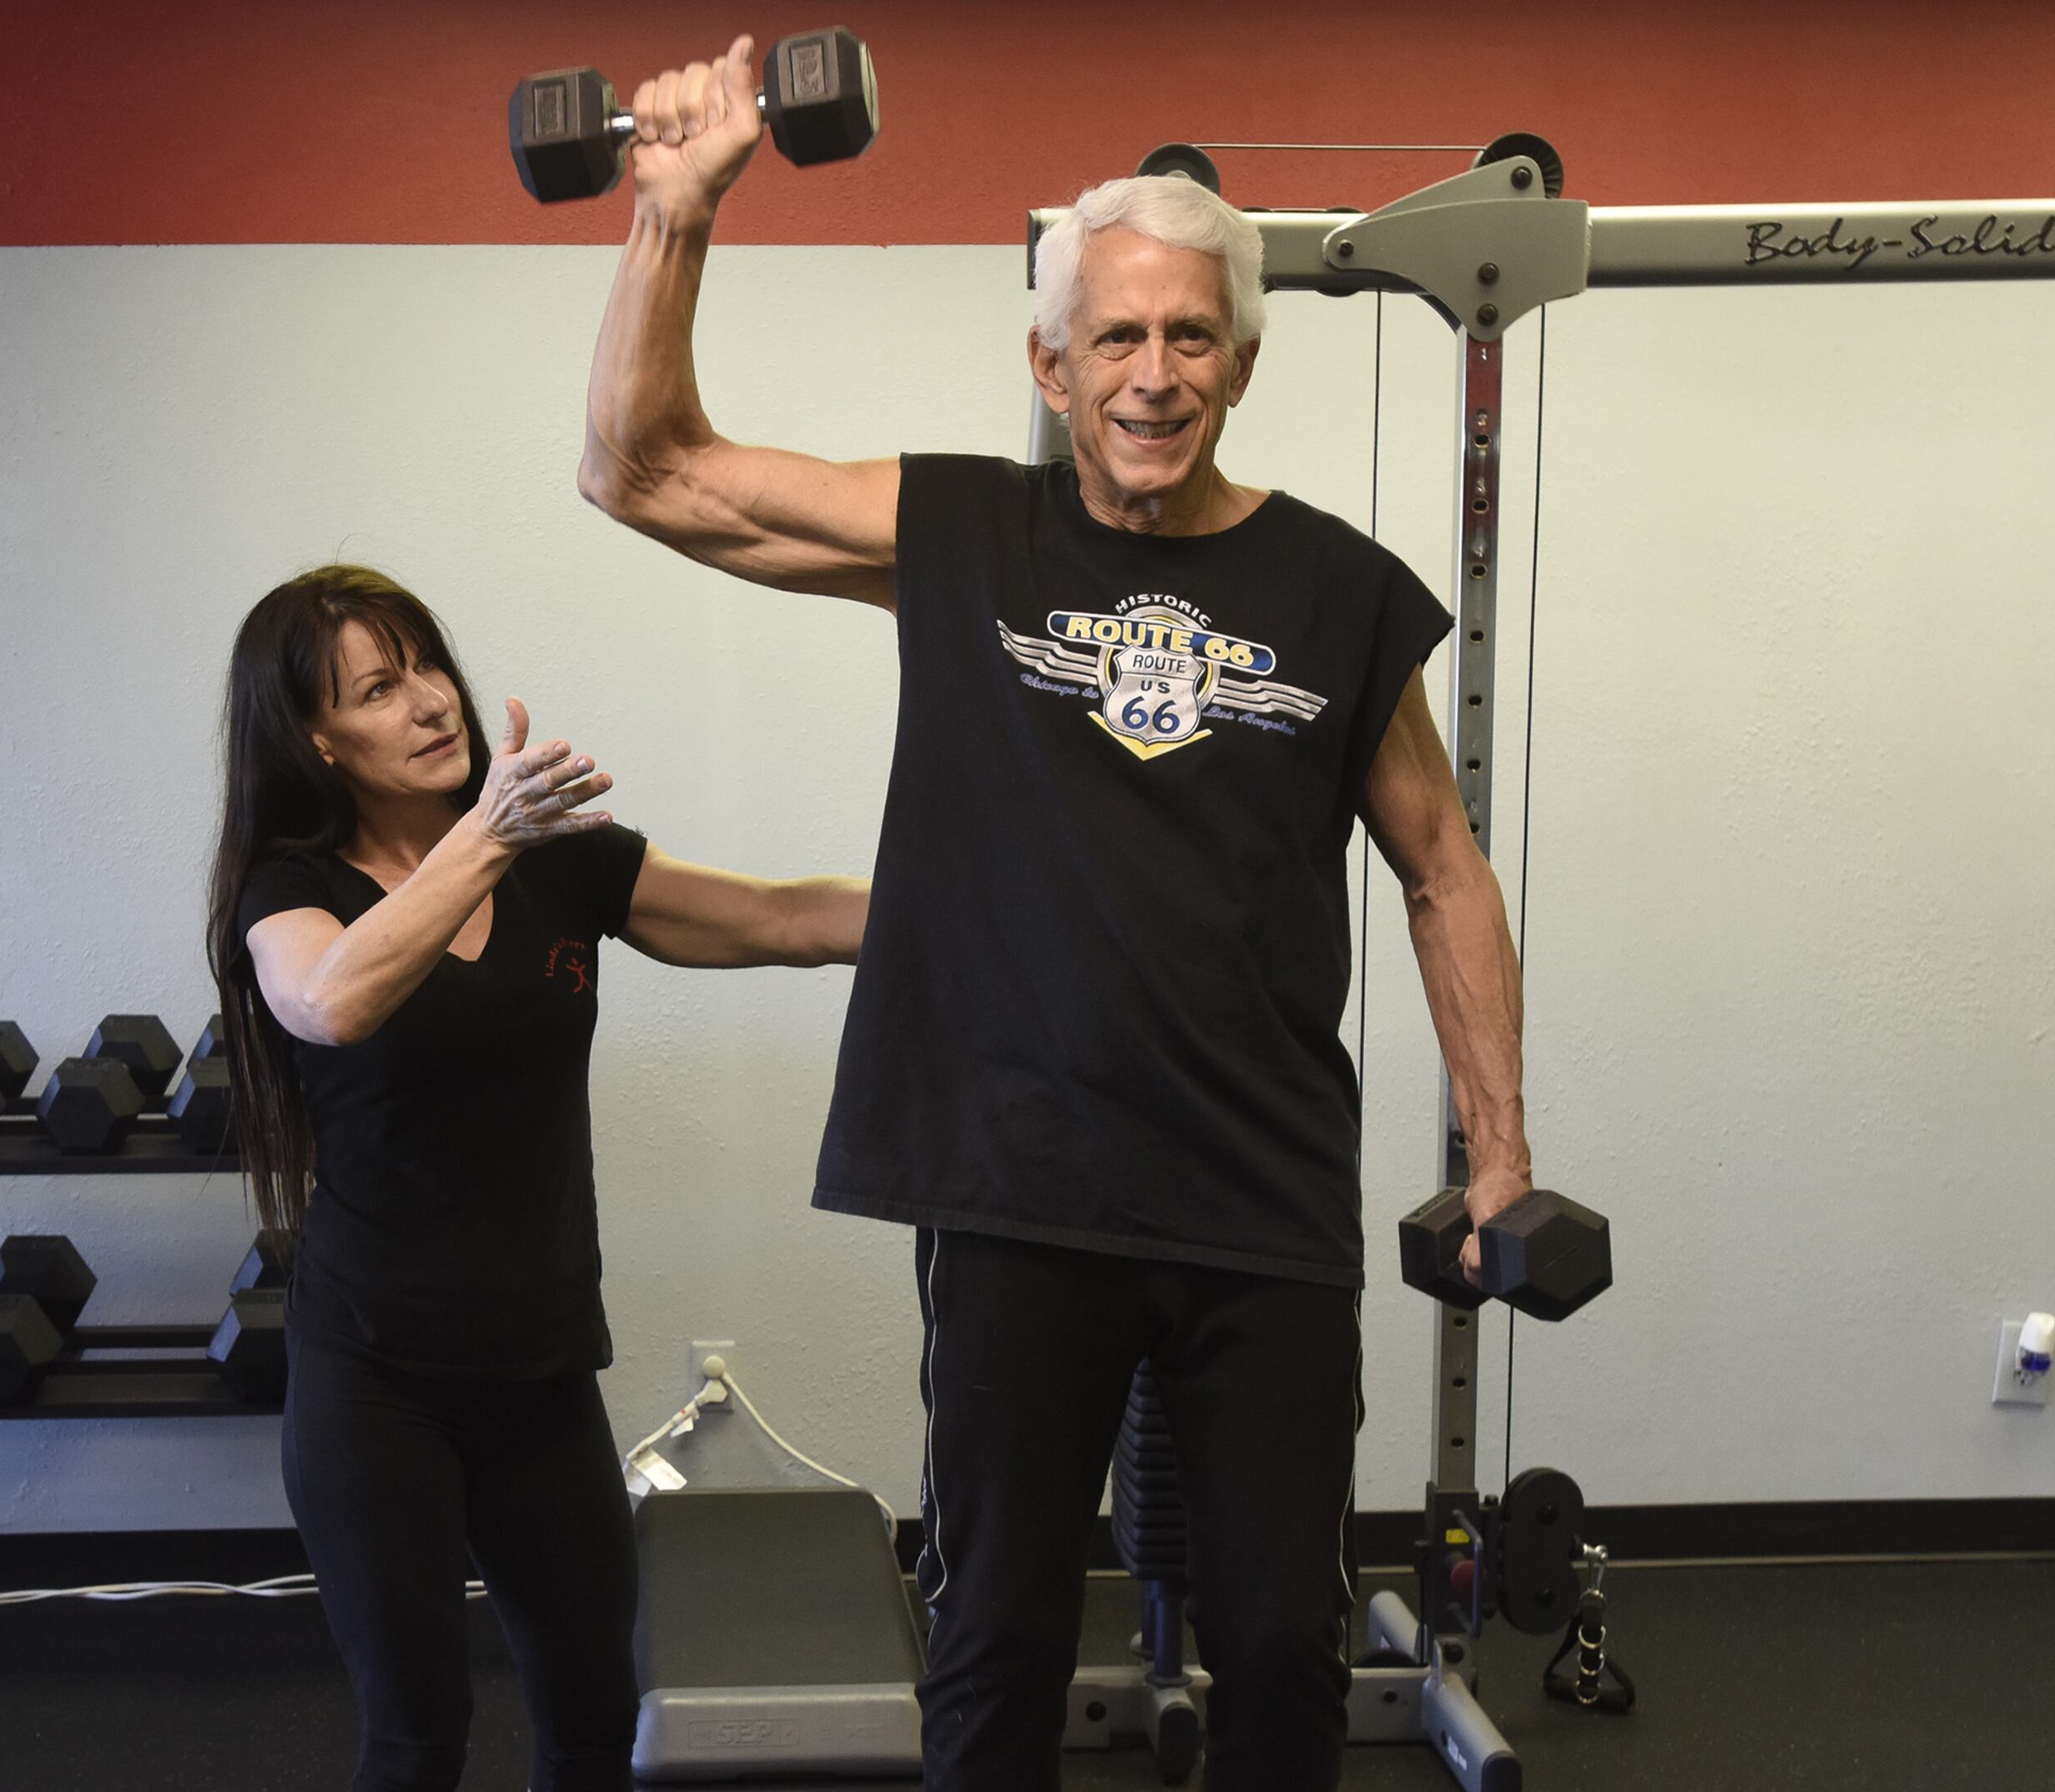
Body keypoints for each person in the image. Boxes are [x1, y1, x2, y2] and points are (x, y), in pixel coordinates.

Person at [578, 38, 1537, 1790]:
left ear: (1240, 362)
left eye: (1188, 337)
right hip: (1021, 1185)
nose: (1153, 375)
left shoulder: (1336, 591)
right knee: (1001, 1624)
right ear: (1051, 360)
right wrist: (676, 214)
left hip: (1260, 1194)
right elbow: (646, 468)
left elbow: (1444, 869)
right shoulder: (965, 531)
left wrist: (1497, 1158)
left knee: (1274, 1641)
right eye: (1116, 337)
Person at [204, 563, 867, 1792]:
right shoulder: (291, 891)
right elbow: (333, 1000)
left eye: (428, 666)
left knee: (592, 1719)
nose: (428, 703)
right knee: (417, 1737)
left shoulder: (559, 862)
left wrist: (988, 902)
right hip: (375, 1382)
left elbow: (782, 920)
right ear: (318, 738)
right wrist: (489, 836)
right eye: (378, 688)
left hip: (542, 1370)